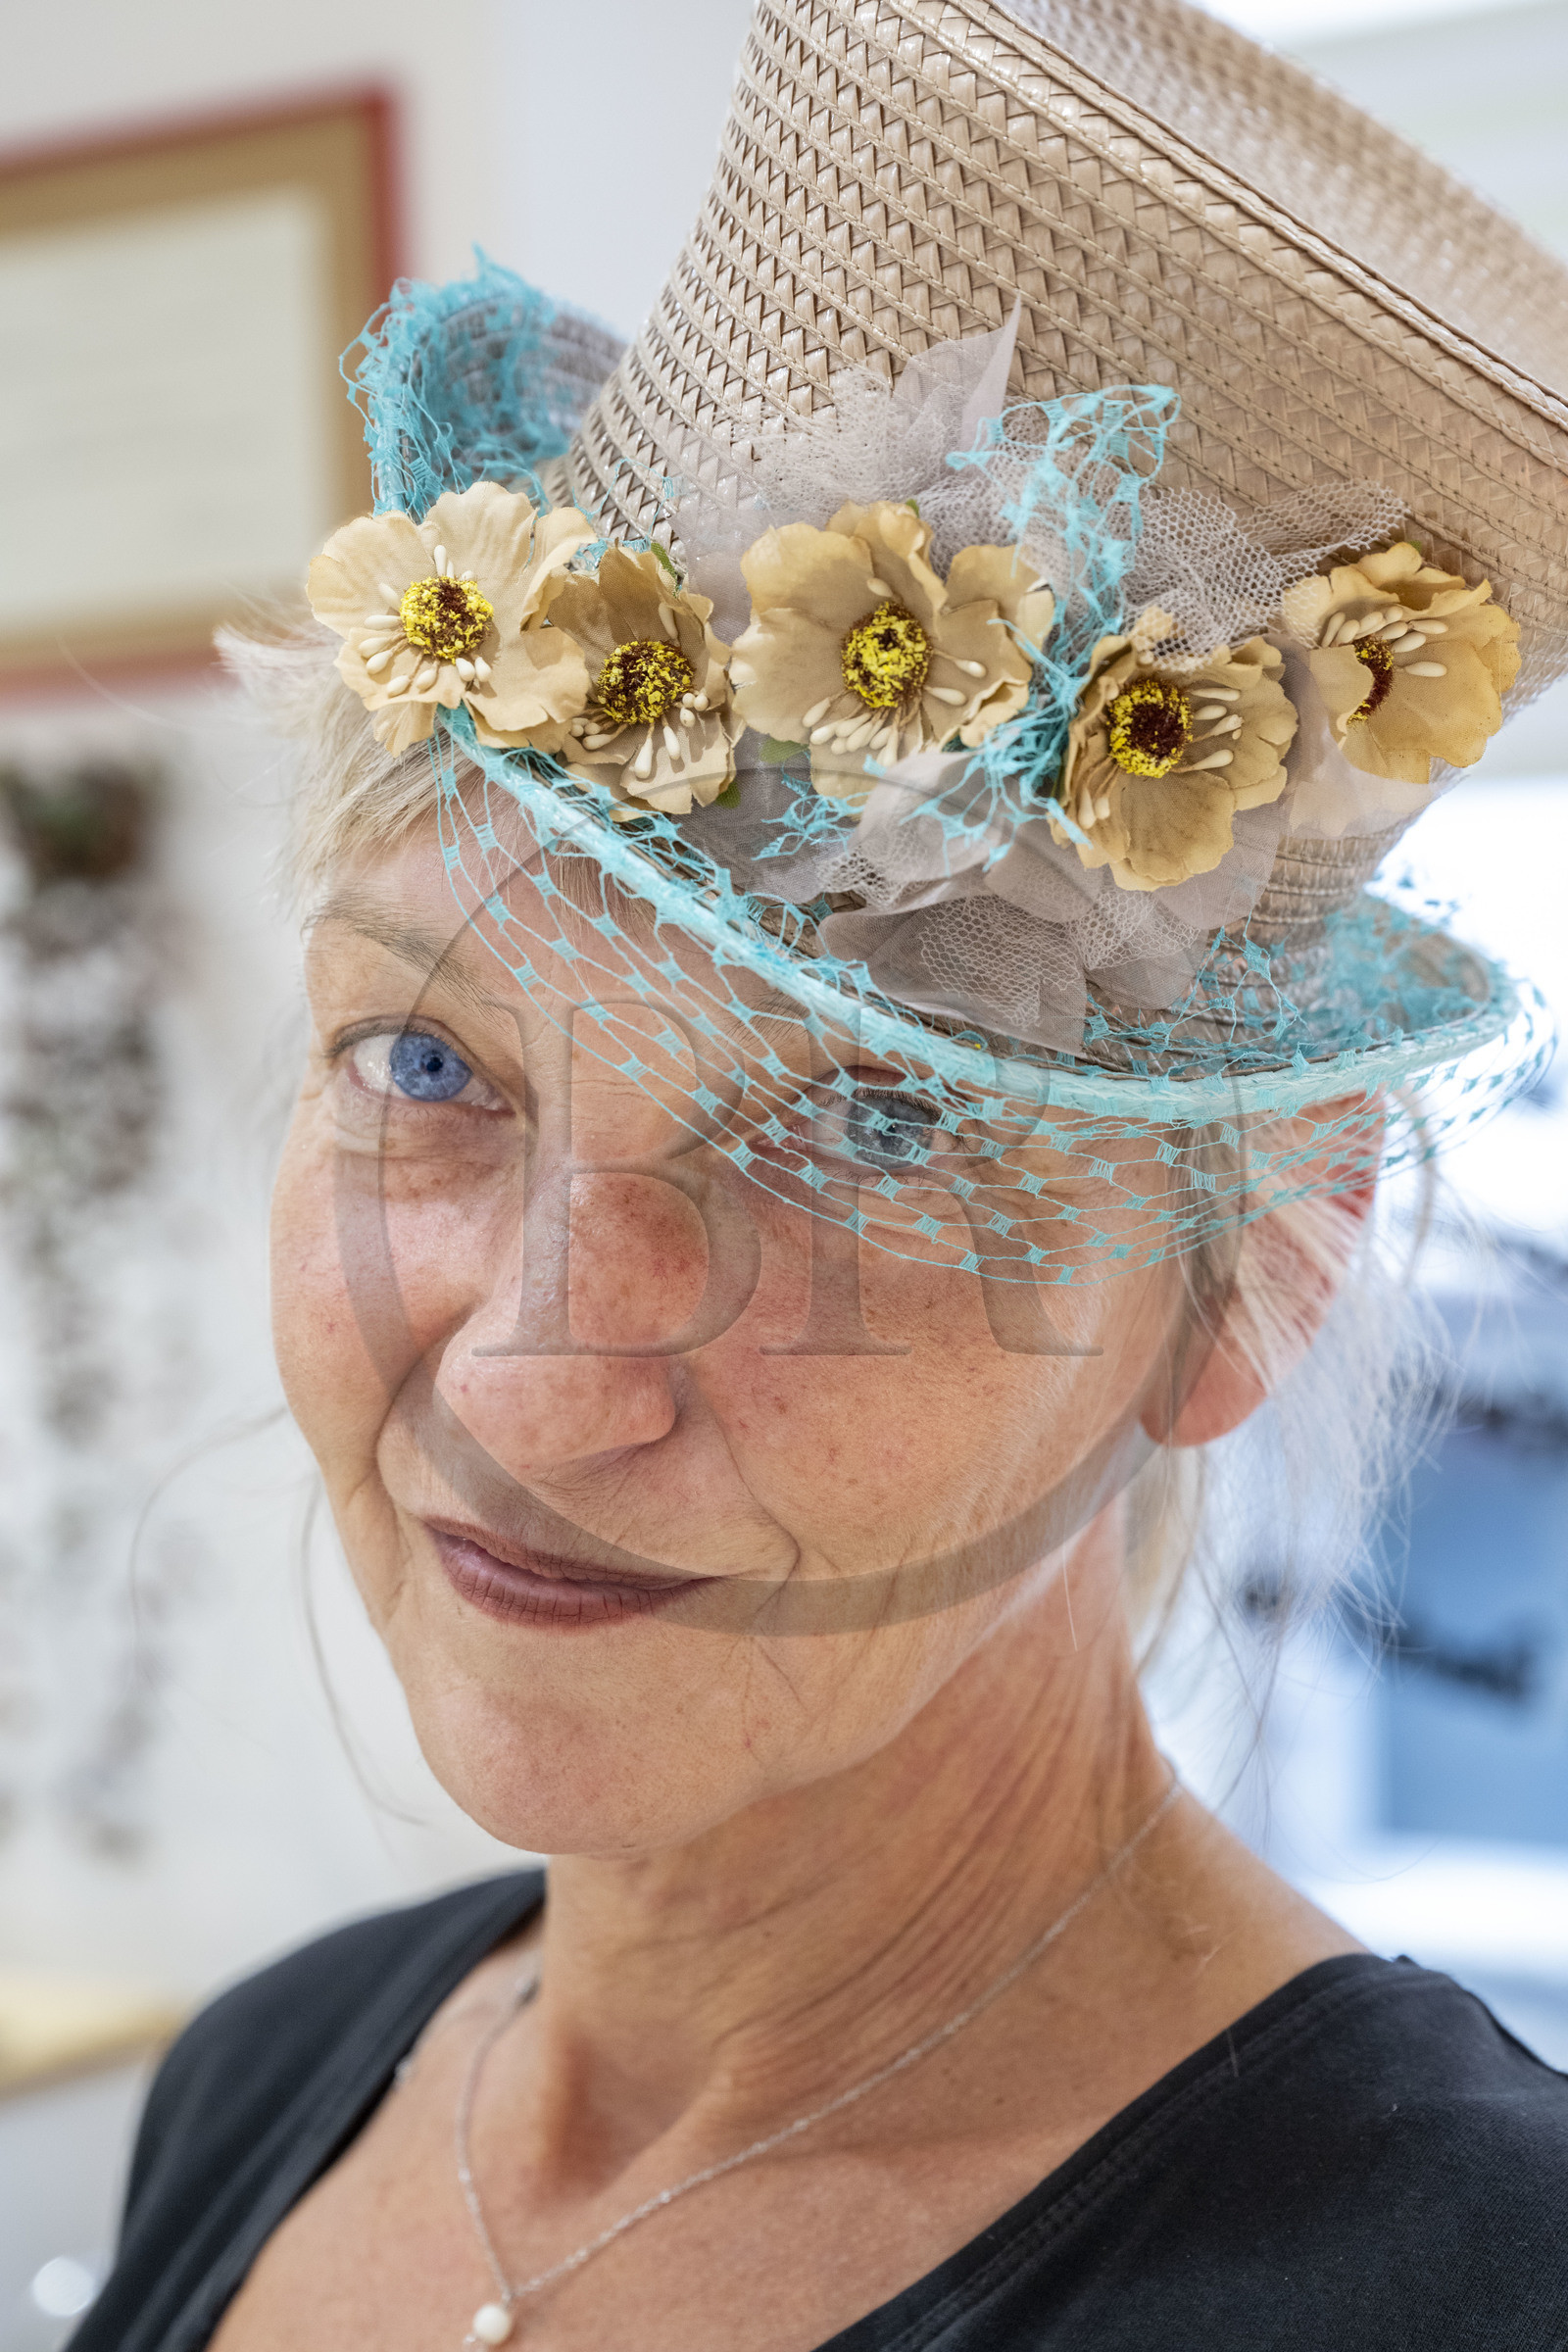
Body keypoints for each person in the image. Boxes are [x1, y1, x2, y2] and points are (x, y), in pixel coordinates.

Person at [76, 1, 1568, 2346]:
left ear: (1256, 1263)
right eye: (428, 1065)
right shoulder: (266, 2080)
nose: (538, 1387)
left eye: (876, 1127)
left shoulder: (1459, 2287)